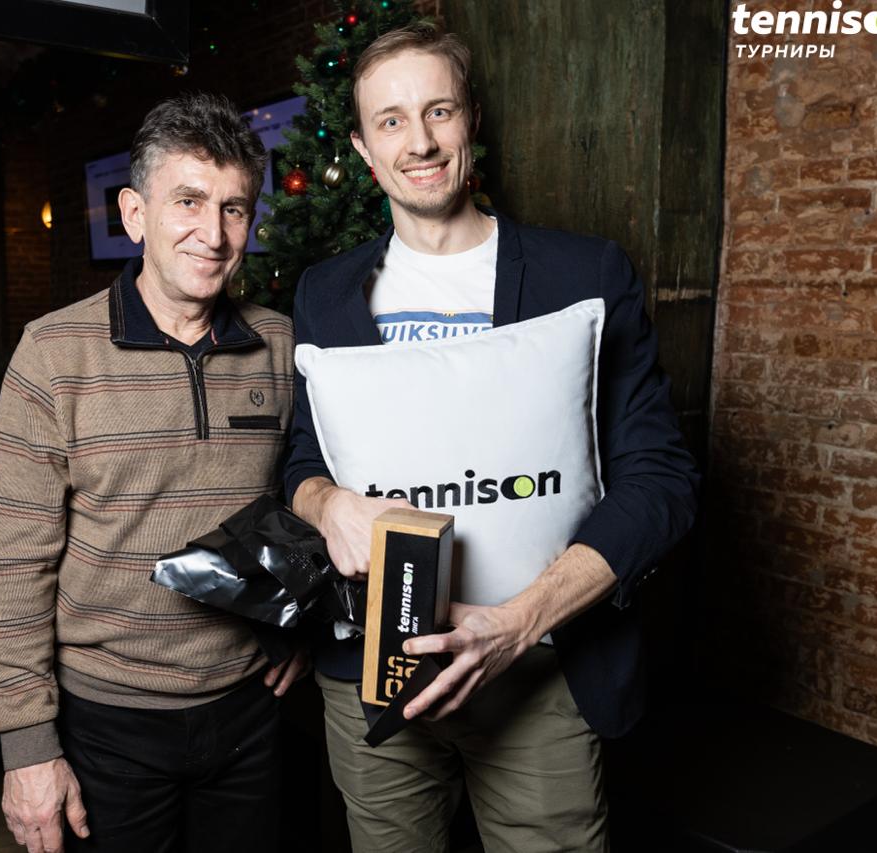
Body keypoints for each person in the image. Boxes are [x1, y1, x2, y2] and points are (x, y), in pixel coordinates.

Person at [285, 22, 701, 853]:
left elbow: (662, 481)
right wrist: (325, 502)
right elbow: (302, 456)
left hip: (538, 673)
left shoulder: (582, 275)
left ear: (471, 119)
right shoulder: (325, 294)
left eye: (438, 110)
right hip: (373, 674)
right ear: (364, 149)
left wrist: (517, 623)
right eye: (392, 120)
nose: (419, 141)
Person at [0, 92, 305, 853]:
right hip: (106, 723)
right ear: (134, 214)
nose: (213, 234)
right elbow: (9, 567)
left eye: (233, 208)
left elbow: (301, 499)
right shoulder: (54, 353)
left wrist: (298, 625)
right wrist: (27, 744)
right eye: (187, 201)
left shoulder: (280, 344)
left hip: (249, 710)